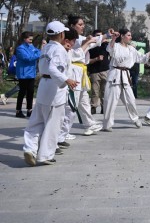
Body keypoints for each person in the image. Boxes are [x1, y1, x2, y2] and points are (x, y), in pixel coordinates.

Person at [23, 21, 78, 166]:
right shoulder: (59, 50)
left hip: (43, 86)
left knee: (36, 122)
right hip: (55, 89)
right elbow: (54, 69)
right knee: (53, 124)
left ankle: (30, 148)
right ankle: (45, 155)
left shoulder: (46, 47)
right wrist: (67, 79)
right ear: (61, 34)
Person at [102, 28, 150, 131]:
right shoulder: (116, 46)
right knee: (110, 101)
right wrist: (113, 38)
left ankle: (135, 118)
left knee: (131, 100)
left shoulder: (131, 49)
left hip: (125, 76)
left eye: (130, 35)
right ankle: (107, 124)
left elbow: (141, 58)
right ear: (122, 36)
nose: (130, 37)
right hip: (115, 75)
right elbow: (109, 49)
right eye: (128, 35)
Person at [68, 15, 107, 136]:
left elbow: (93, 42)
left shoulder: (81, 38)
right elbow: (87, 43)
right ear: (72, 26)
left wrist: (108, 35)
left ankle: (89, 124)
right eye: (80, 24)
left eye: (83, 24)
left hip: (82, 72)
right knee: (72, 103)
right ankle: (62, 132)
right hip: (73, 70)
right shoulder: (70, 39)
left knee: (84, 100)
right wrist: (89, 40)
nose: (83, 26)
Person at [14, 31, 42, 118]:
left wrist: (37, 52)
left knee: (30, 92)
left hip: (31, 73)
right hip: (23, 74)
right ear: (24, 39)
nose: (31, 41)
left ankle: (29, 110)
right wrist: (38, 53)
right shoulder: (20, 49)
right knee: (22, 92)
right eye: (29, 39)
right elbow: (28, 58)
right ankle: (18, 111)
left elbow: (38, 51)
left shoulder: (31, 47)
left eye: (31, 40)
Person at [88, 29, 110, 115]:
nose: (99, 37)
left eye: (100, 35)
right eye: (97, 35)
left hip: (105, 70)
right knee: (95, 91)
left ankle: (104, 107)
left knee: (105, 91)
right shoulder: (90, 46)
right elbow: (88, 59)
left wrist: (106, 41)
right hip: (94, 71)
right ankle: (93, 107)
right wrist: (96, 59)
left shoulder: (105, 45)